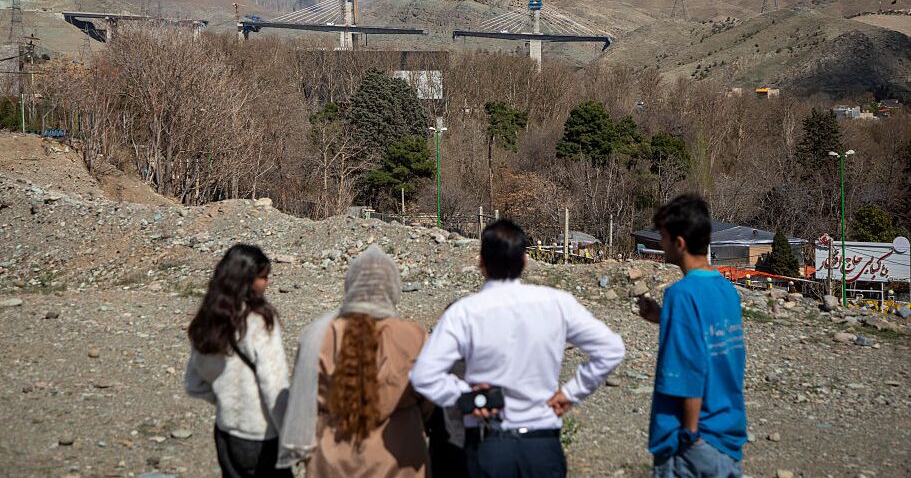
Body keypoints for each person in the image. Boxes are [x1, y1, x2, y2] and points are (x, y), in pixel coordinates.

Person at [410, 219, 626, 478]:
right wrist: (571, 392)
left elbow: (423, 375)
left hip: (488, 443)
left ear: (481, 263)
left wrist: (464, 396)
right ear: (525, 261)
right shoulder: (557, 303)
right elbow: (611, 348)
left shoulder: (465, 312)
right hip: (543, 446)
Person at [278, 245, 430, 477]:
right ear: (393, 287)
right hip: (397, 458)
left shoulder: (318, 334)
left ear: (350, 285)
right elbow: (430, 398)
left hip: (332, 460)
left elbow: (304, 396)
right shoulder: (414, 336)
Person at [637, 194, 747, 477]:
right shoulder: (726, 290)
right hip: (728, 437)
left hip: (690, 446)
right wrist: (664, 318)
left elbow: (689, 373)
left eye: (663, 237)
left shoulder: (681, 295)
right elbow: (709, 341)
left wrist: (690, 434)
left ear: (680, 242)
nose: (661, 245)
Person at [184, 244, 291, 478]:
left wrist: (227, 399)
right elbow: (274, 385)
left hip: (225, 432)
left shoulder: (207, 319)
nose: (268, 283)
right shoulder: (260, 321)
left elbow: (194, 384)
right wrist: (290, 435)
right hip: (262, 437)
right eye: (264, 277)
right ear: (247, 280)